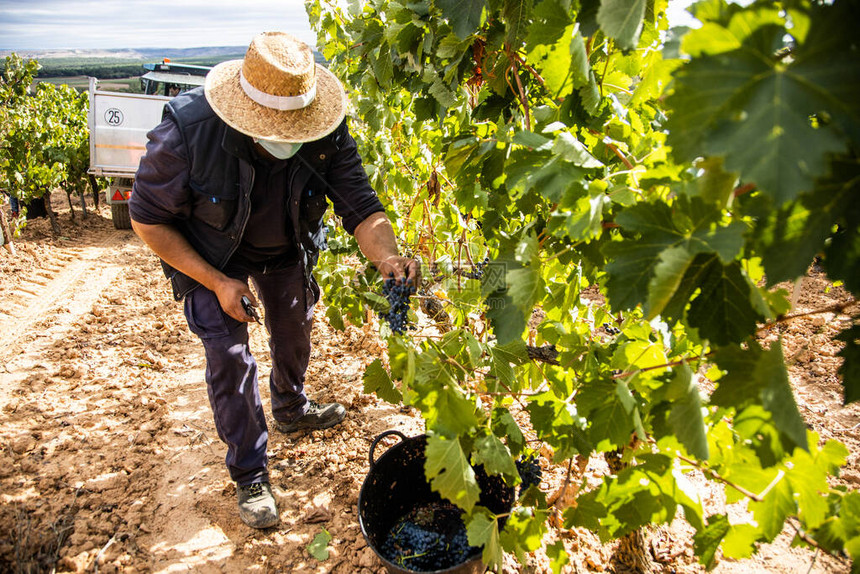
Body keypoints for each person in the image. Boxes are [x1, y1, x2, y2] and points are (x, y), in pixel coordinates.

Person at [128, 31, 419, 529]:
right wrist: (218, 282)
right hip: (210, 253)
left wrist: (388, 257)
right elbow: (147, 220)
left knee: (293, 328)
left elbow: (361, 207)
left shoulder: (326, 132)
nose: (288, 136)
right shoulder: (187, 133)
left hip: (283, 246)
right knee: (229, 356)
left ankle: (290, 404)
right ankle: (249, 471)